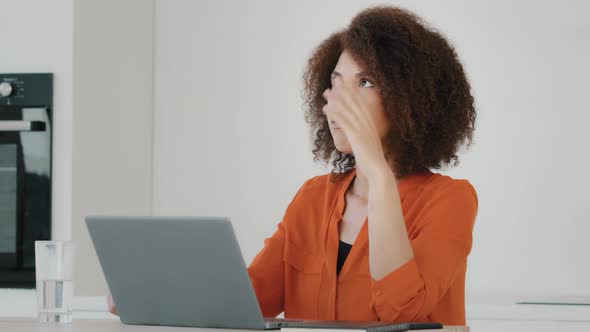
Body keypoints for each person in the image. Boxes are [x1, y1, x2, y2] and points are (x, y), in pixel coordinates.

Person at [110, 5, 478, 326]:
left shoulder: (450, 200)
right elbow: (250, 302)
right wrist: (153, 293)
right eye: (335, 84)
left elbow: (404, 312)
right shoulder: (314, 197)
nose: (339, 102)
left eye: (364, 82)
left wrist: (378, 174)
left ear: (410, 102)